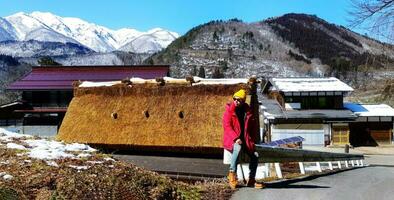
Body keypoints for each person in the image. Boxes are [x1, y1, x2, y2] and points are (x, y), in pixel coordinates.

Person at [222, 89, 264, 189]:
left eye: (239, 100)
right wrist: (236, 138)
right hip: (232, 139)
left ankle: (251, 180)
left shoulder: (248, 112)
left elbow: (252, 129)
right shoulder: (229, 111)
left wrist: (252, 141)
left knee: (255, 155)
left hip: (245, 140)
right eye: (234, 99)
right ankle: (232, 175)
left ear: (243, 100)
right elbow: (227, 126)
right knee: (237, 148)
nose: (236, 101)